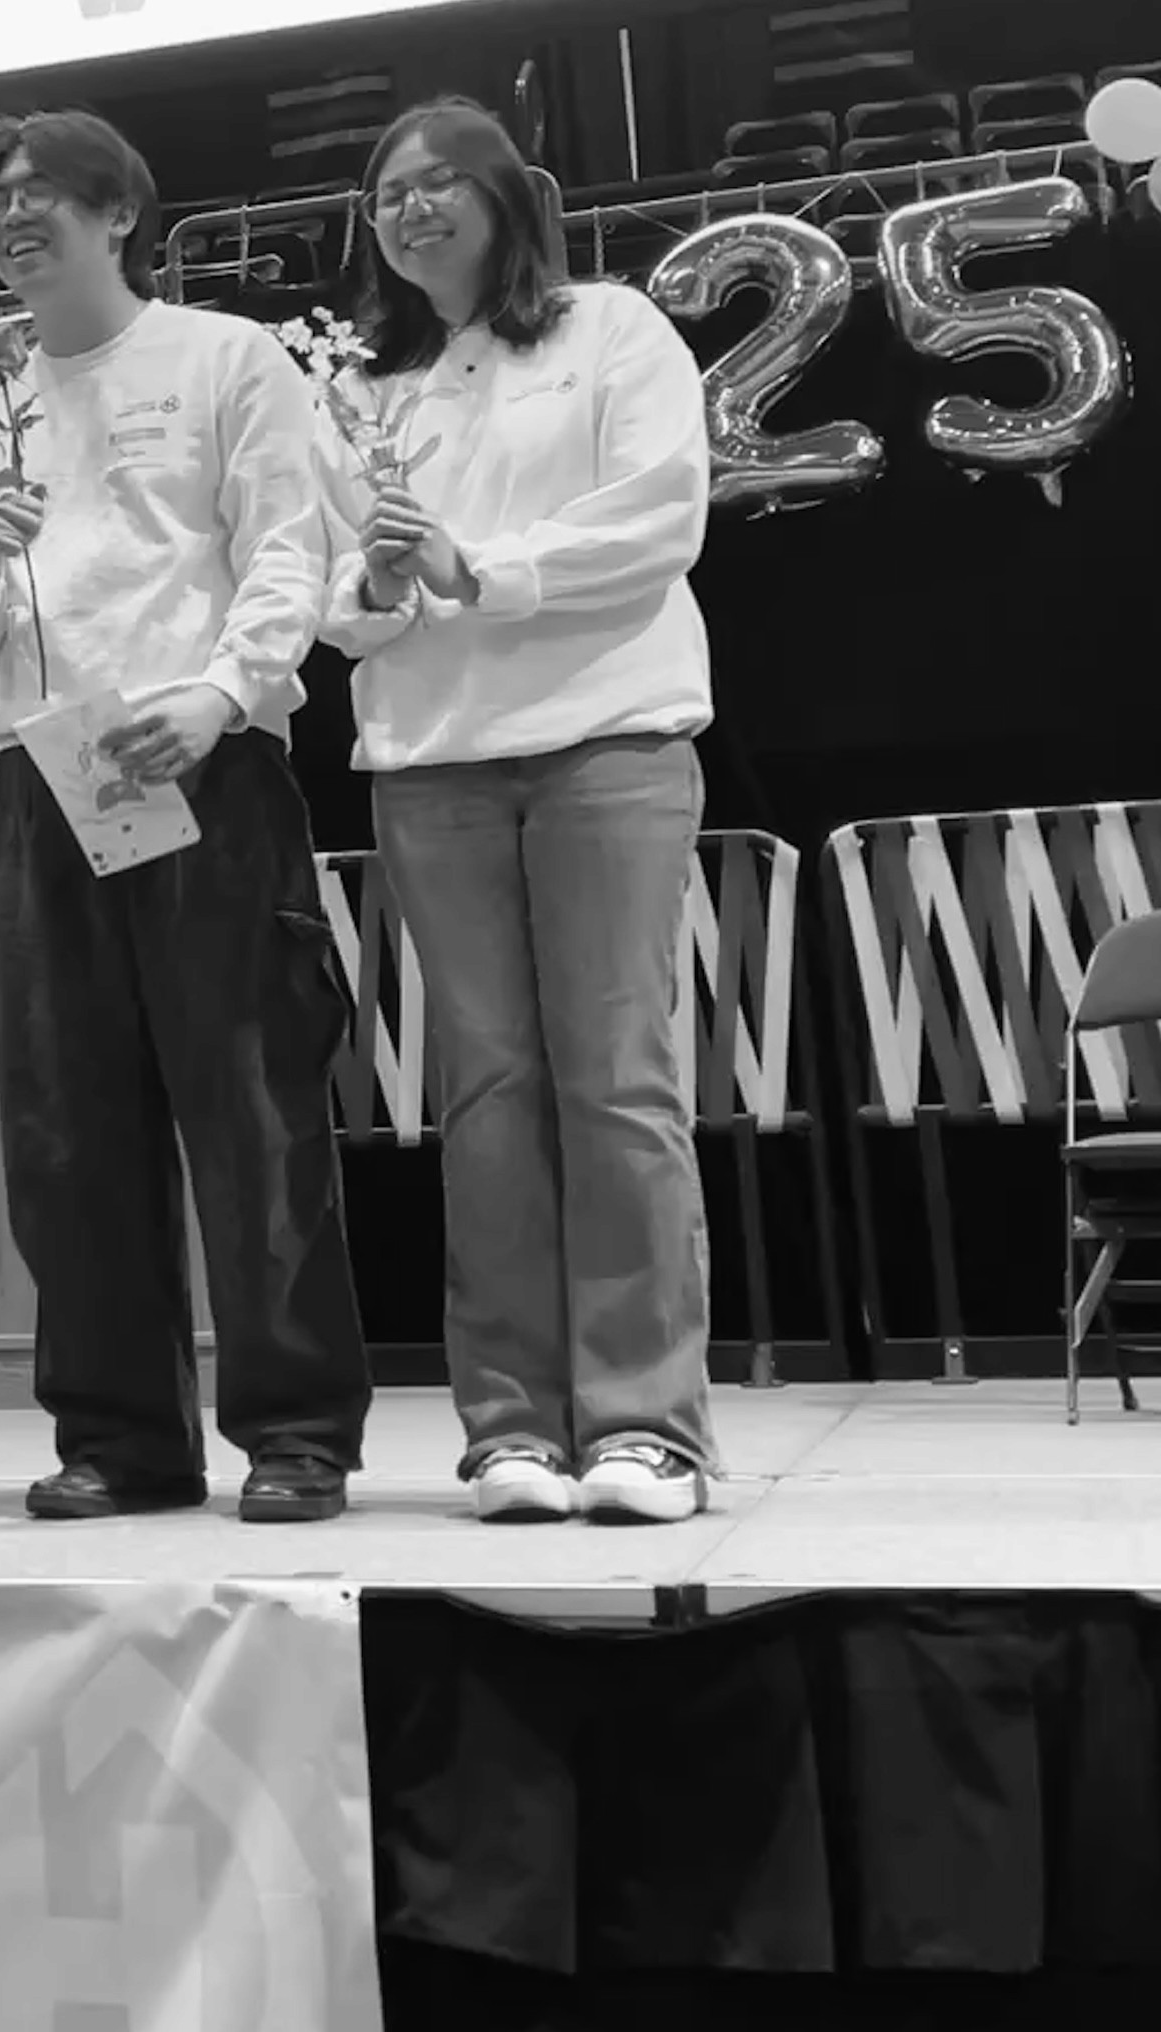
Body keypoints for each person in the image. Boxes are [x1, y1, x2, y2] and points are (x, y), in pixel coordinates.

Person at [0, 109, 369, 1525]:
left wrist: (226, 696)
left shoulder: (223, 357)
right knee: (64, 1130)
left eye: (45, 191)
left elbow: (290, 550)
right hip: (41, 782)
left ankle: (296, 1429)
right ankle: (121, 1437)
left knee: (251, 1110)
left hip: (201, 762)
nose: (14, 214)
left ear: (122, 215)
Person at [321, 99, 717, 1524]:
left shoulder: (612, 329)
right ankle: (511, 1428)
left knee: (615, 1081)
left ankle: (646, 1424)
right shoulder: (363, 390)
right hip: (433, 760)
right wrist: (376, 582)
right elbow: (331, 598)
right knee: (486, 1097)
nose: (411, 207)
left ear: (508, 199)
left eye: (440, 183)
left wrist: (475, 568)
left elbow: (659, 518)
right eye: (389, 191)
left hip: (607, 740)